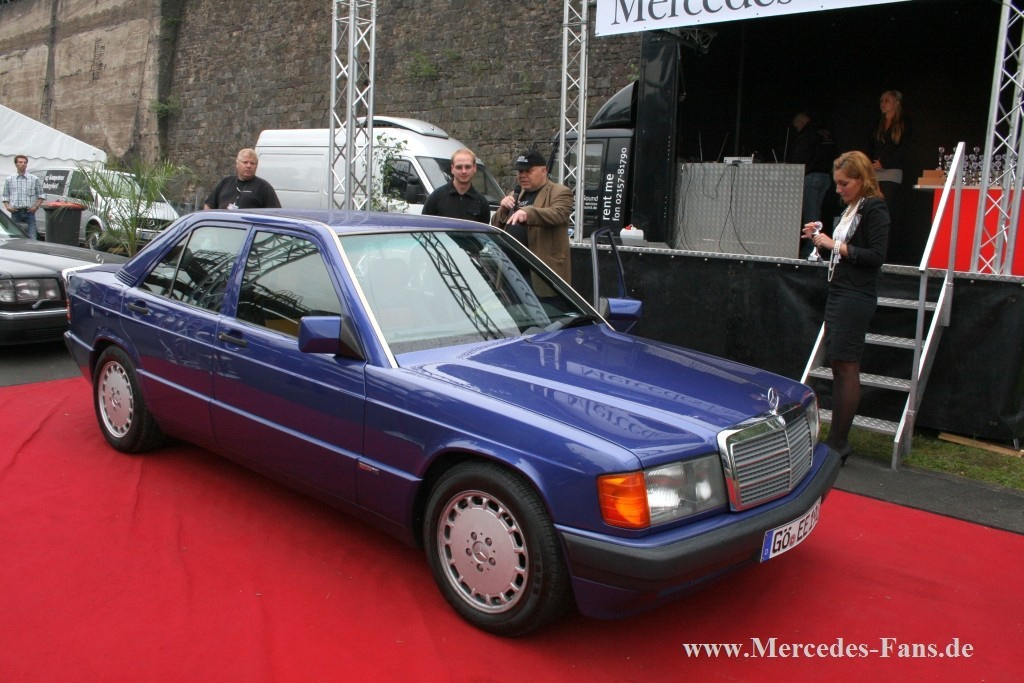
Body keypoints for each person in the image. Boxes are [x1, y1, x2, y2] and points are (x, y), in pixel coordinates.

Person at [801, 151, 890, 465]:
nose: (839, 189)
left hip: (856, 295)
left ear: (862, 179)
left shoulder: (874, 208)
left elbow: (876, 256)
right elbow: (843, 255)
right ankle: (837, 440)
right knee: (839, 365)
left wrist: (833, 244)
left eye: (844, 183)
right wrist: (820, 241)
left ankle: (839, 442)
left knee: (847, 366)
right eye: (837, 183)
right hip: (841, 290)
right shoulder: (854, 208)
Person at [491, 149, 573, 284]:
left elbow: (558, 214)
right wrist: (503, 210)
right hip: (512, 268)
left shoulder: (560, 192)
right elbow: (495, 224)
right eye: (520, 171)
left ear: (544, 171)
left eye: (528, 171)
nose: (522, 175)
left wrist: (527, 213)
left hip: (541, 271)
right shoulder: (516, 193)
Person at [785, 111, 835, 257]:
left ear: (801, 122)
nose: (797, 129)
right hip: (826, 176)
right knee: (816, 214)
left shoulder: (807, 134)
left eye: (796, 126)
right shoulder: (825, 132)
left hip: (811, 177)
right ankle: (816, 247)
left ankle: (811, 250)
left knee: (811, 216)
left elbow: (801, 156)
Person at [867, 90, 909, 217]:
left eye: (887, 101)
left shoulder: (903, 123)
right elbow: (871, 146)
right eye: (881, 101)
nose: (883, 104)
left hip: (892, 171)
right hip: (875, 171)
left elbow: (903, 149)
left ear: (896, 103)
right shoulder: (878, 123)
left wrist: (885, 163)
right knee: (873, 208)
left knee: (886, 208)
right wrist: (872, 163)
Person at [421, 148, 490, 223]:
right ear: (452, 169)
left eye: (467, 167)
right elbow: (424, 226)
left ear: (474, 168)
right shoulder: (436, 198)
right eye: (459, 167)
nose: (464, 171)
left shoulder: (482, 203)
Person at [203, 148, 280, 210]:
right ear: (237, 164)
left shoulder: (264, 188)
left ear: (256, 166)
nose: (249, 166)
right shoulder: (225, 182)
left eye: (252, 163)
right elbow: (209, 205)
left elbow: (274, 213)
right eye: (245, 162)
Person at [2, 155, 45, 239]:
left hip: (29, 212)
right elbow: (5, 195)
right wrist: (8, 207)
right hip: (15, 212)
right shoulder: (9, 179)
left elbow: (41, 195)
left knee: (32, 237)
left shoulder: (34, 179)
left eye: (25, 162)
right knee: (15, 238)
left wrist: (35, 207)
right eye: (20, 162)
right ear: (16, 164)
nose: (23, 164)